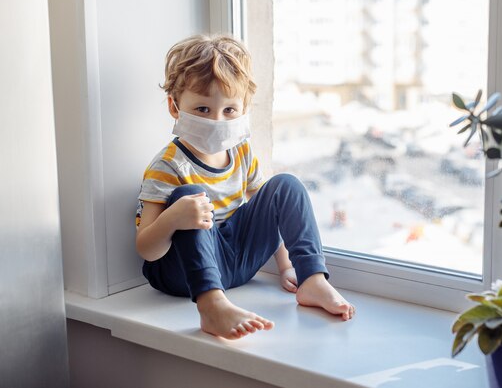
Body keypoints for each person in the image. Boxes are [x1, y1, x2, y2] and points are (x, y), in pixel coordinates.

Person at [135, 34, 355, 340]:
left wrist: (286, 266)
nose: (216, 119)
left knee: (285, 185)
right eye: (202, 109)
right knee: (189, 198)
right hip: (184, 274)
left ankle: (312, 279)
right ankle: (211, 306)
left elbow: (269, 211)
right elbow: (147, 249)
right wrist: (174, 218)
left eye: (229, 110)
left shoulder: (241, 152)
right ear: (175, 107)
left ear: (243, 109)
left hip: (234, 263)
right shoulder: (168, 166)